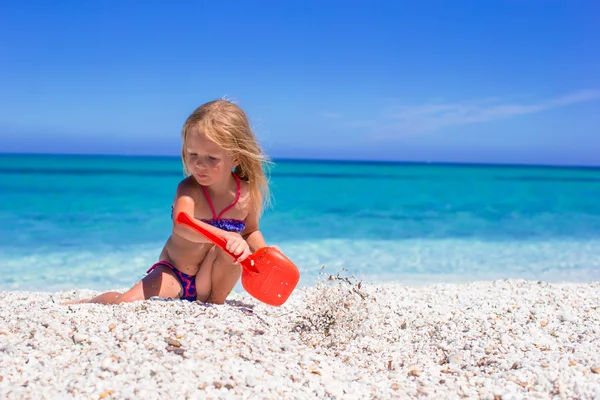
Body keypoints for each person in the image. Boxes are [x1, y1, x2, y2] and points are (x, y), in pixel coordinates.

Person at [66, 99, 270, 305]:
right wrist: (227, 236)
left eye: (212, 158)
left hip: (215, 278)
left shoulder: (248, 194)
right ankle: (89, 302)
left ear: (235, 157)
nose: (200, 164)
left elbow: (250, 232)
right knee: (126, 302)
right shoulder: (189, 189)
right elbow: (182, 224)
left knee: (235, 247)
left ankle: (214, 301)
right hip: (176, 275)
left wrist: (266, 254)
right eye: (193, 154)